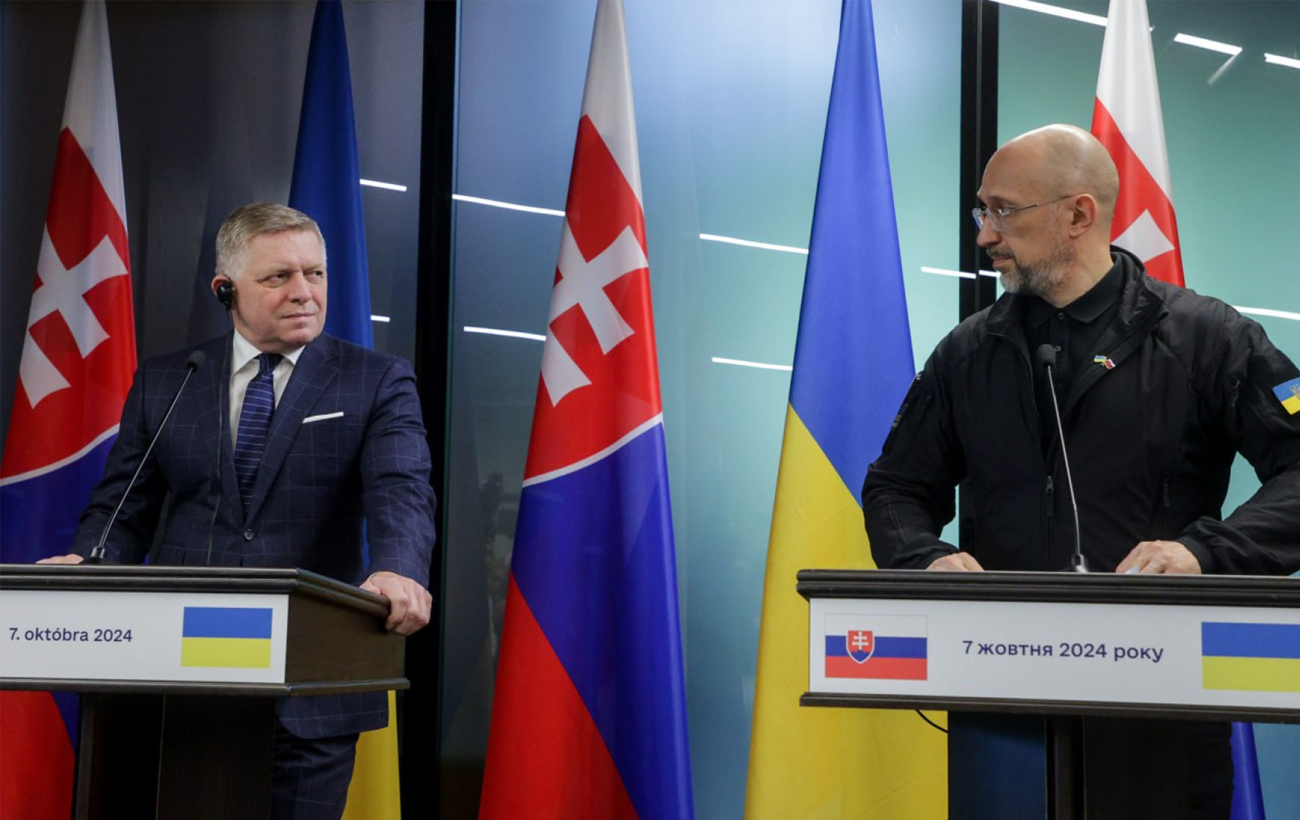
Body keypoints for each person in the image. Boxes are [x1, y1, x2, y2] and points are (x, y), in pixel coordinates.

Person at [862, 125, 1300, 817]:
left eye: (1004, 211)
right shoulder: (967, 353)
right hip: (1000, 703)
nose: (985, 234)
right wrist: (924, 560)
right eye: (982, 210)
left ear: (1078, 215)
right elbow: (896, 487)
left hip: (1161, 712)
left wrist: (1205, 552)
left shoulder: (1208, 337)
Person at [40, 203, 438, 820]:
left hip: (309, 681)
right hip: (176, 679)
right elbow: (123, 505)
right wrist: (88, 562)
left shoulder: (376, 381)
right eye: (279, 276)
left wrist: (398, 568)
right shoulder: (168, 380)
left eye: (315, 273)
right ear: (225, 290)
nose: (304, 292)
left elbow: (401, 488)